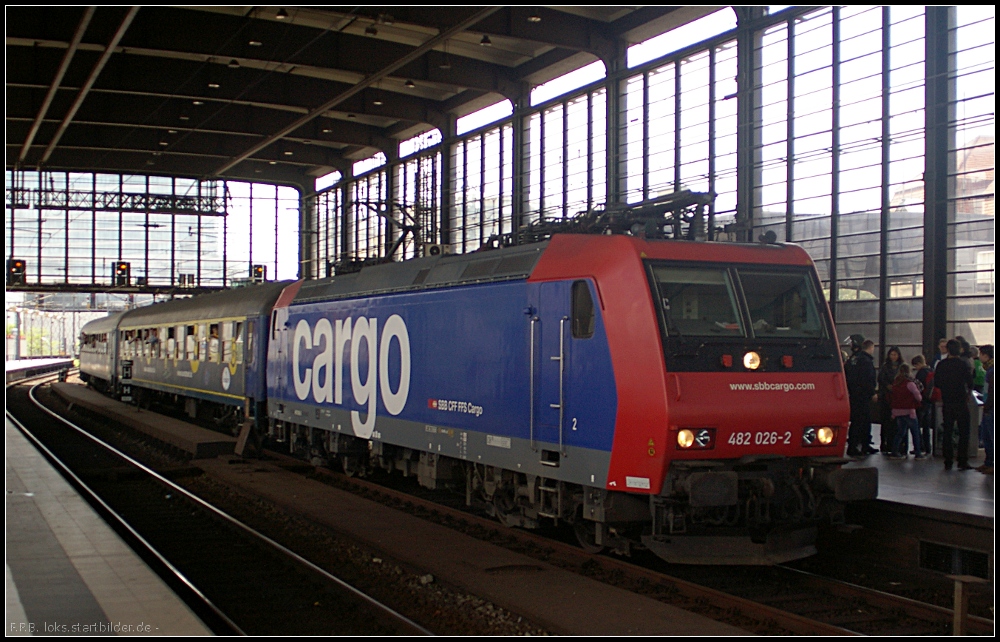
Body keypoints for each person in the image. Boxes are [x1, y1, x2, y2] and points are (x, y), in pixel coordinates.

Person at [934, 339, 974, 471]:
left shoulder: (941, 365)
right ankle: (962, 460)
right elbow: (970, 382)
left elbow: (937, 383)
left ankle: (948, 460)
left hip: (947, 401)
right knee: (964, 431)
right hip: (961, 402)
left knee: (947, 431)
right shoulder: (963, 364)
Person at [844, 336, 878, 457]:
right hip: (863, 395)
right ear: (871, 347)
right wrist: (872, 392)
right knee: (863, 421)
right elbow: (867, 378)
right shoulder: (866, 361)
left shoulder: (852, 359)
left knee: (858, 421)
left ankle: (859, 444)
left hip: (854, 394)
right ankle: (858, 446)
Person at [889, 363, 924, 459]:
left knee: (900, 432)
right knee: (915, 432)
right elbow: (918, 397)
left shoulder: (895, 383)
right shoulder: (910, 383)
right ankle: (918, 453)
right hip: (909, 411)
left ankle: (895, 451)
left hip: (897, 411)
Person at [877, 346, 903, 454]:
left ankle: (893, 443)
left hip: (896, 397)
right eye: (892, 354)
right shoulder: (885, 366)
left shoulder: (901, 367)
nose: (893, 357)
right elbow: (881, 379)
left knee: (894, 423)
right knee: (885, 420)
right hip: (886, 396)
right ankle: (884, 443)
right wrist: (888, 386)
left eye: (895, 355)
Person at [912, 355, 937, 456]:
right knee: (926, 426)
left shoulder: (921, 373)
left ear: (918, 364)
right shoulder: (931, 370)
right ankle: (928, 447)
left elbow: (917, 388)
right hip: (929, 401)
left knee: (917, 425)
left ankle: (919, 446)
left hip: (921, 402)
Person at [976, 345, 993, 475]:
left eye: (980, 354)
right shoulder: (988, 370)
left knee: (991, 436)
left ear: (986, 356)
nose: (979, 356)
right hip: (988, 406)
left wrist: (987, 405)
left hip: (990, 408)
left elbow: (992, 391)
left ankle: (991, 463)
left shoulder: (992, 371)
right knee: (986, 436)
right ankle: (988, 462)